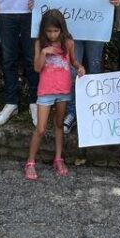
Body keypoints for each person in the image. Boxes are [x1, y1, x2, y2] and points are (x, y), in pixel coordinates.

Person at [61, 0, 119, 133]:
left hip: (95, 32)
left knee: (94, 70)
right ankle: (72, 112)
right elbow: (62, 0)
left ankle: (94, 111)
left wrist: (114, 1)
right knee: (72, 71)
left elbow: (109, 1)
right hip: (74, 32)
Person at [25, 10, 84, 180]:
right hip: (45, 91)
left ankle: (58, 159)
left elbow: (73, 61)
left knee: (59, 124)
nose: (52, 35)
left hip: (63, 90)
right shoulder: (40, 44)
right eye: (49, 31)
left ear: (62, 29)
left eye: (56, 31)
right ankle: (30, 162)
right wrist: (44, 52)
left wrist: (80, 67)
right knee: (41, 128)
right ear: (43, 30)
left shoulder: (68, 43)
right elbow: (37, 68)